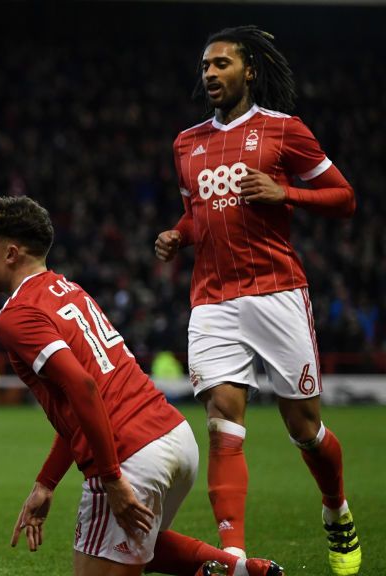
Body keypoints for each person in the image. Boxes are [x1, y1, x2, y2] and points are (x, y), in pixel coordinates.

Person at [0, 196, 282, 576]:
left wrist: (113, 478)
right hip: (173, 435)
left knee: (112, 555)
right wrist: (46, 483)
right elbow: (83, 403)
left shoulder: (17, 315)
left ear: (11, 253)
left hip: (130, 455)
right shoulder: (69, 290)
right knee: (142, 545)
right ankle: (238, 570)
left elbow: (85, 389)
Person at [153, 26, 359, 575]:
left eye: (221, 64)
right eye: (204, 66)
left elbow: (344, 198)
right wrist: (178, 234)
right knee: (223, 422)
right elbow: (198, 214)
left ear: (250, 71)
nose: (210, 74)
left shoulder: (283, 131)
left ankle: (336, 508)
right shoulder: (186, 143)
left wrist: (284, 191)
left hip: (277, 293)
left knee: (304, 428)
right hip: (213, 299)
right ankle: (235, 558)